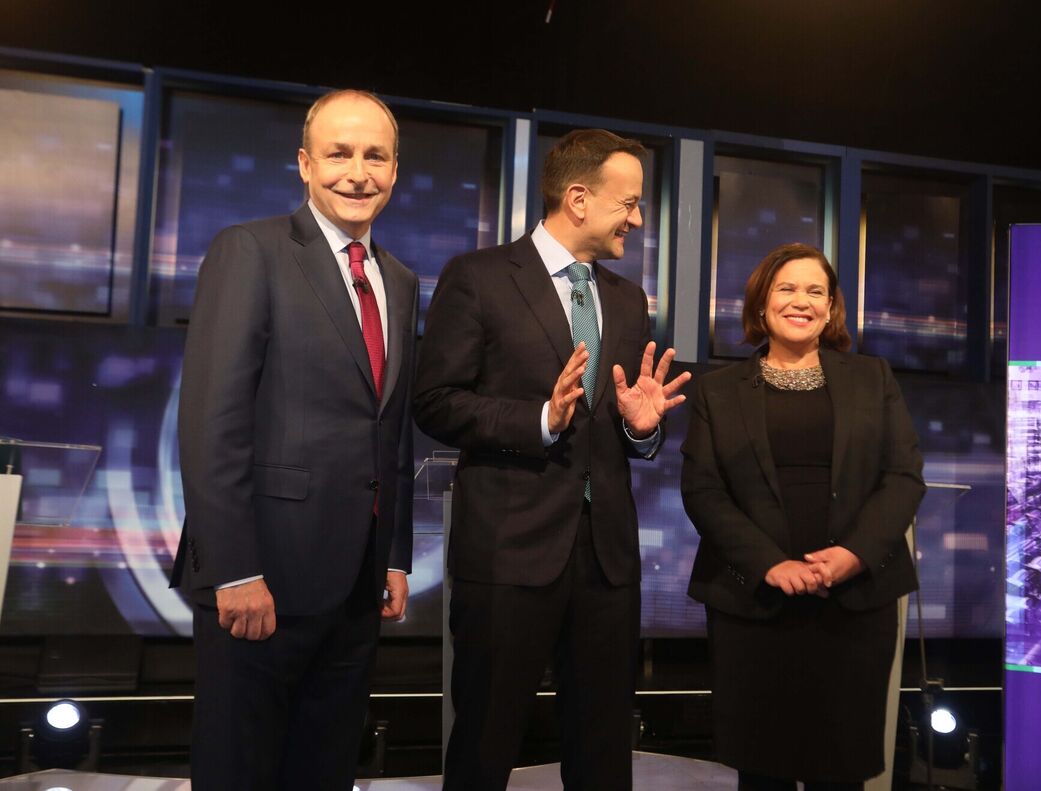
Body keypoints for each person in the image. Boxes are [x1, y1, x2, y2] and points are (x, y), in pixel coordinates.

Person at [414, 128, 691, 791]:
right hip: (508, 554)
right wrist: (539, 418)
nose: (638, 218)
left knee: (601, 749)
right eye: (629, 202)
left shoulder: (628, 300)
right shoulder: (478, 278)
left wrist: (642, 429)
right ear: (577, 198)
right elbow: (435, 401)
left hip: (606, 560)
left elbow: (620, 426)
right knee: (485, 741)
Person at [171, 89, 418, 791]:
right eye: (339, 153)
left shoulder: (399, 280)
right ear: (305, 164)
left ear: (395, 172)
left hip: (356, 587)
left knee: (324, 771)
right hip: (261, 581)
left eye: (375, 156)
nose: (357, 172)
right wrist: (234, 569)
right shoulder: (250, 249)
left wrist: (393, 555)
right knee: (239, 771)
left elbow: (390, 430)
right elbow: (212, 421)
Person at [681, 243, 925, 791]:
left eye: (816, 291)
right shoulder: (718, 391)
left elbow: (904, 475)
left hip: (855, 601)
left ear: (832, 307)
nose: (801, 301)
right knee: (761, 769)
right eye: (787, 288)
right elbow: (703, 490)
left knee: (840, 769)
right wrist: (770, 564)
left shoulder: (873, 377)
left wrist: (853, 554)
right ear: (762, 303)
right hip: (754, 602)